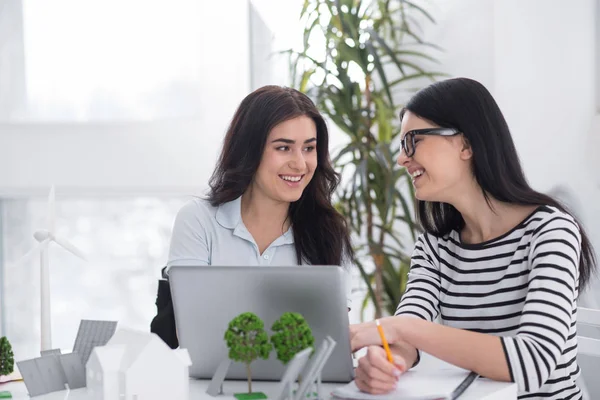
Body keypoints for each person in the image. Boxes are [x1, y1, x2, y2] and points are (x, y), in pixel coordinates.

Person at [350, 77, 596, 400]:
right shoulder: (436, 246)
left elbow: (532, 363)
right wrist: (387, 362)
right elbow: (411, 322)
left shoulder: (552, 232)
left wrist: (397, 327)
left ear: (466, 145)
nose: (401, 159)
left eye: (413, 141)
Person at [151, 85, 354, 347]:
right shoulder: (198, 220)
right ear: (249, 149)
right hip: (209, 387)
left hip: (299, 386)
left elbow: (331, 344)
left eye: (309, 148)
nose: (300, 164)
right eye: (283, 148)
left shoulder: (328, 232)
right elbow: (190, 335)